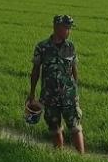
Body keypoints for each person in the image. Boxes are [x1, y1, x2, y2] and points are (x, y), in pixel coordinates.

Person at [28, 14, 85, 153]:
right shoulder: (42, 47)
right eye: (67, 28)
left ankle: (81, 157)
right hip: (50, 96)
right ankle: (59, 155)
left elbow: (74, 69)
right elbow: (35, 71)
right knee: (54, 127)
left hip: (69, 96)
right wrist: (32, 93)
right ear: (57, 27)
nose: (69, 31)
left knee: (75, 127)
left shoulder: (70, 46)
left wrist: (75, 91)